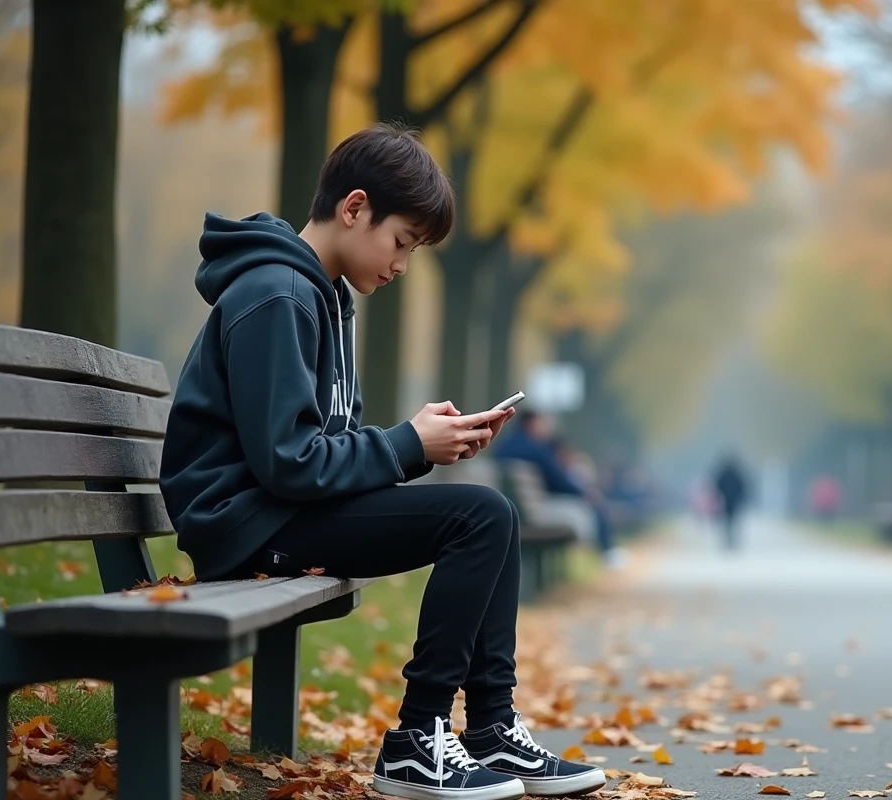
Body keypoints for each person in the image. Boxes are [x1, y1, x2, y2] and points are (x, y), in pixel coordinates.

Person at [158, 123, 604, 800]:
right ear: (355, 208)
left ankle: (489, 728)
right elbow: (288, 461)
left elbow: (322, 445)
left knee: (493, 514)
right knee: (480, 515)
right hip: (246, 524)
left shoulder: (323, 294)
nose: (402, 265)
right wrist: (406, 445)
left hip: (279, 511)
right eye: (402, 242)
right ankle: (417, 740)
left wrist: (424, 446)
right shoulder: (277, 294)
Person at [493, 412, 627, 568]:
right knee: (592, 503)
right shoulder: (536, 449)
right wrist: (582, 492)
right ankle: (608, 552)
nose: (547, 428)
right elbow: (558, 480)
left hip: (516, 507)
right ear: (532, 423)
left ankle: (608, 551)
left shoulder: (507, 445)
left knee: (589, 503)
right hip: (533, 511)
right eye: (543, 423)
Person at [712, 454, 749, 550]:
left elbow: (717, 486)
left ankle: (728, 539)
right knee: (734, 520)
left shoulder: (722, 474)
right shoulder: (737, 474)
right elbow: (742, 488)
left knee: (727, 521)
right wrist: (741, 498)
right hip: (734, 501)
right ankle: (733, 539)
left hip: (725, 501)